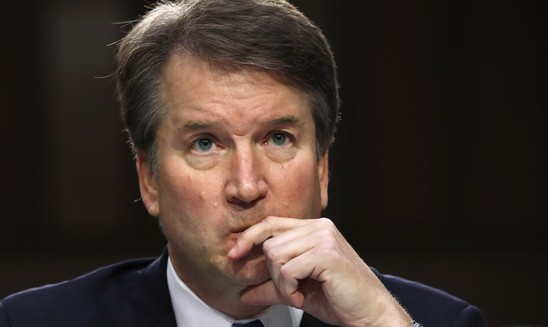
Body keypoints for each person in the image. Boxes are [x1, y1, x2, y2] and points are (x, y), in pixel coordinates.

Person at [0, 0, 488, 326]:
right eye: (205, 144)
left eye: (277, 138)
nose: (247, 186)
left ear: (321, 170)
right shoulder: (34, 322)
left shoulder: (431, 320)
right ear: (149, 179)